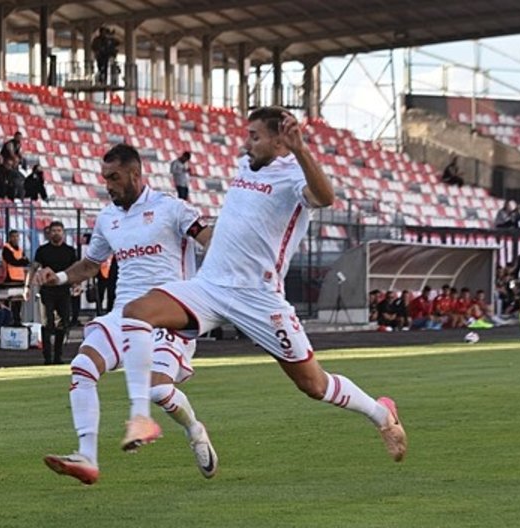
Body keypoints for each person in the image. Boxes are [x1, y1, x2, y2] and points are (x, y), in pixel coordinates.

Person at [112, 107, 407, 465]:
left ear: (280, 141)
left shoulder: (295, 175)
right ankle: (141, 417)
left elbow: (326, 197)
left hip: (258, 298)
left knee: (314, 385)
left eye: (254, 136)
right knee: (137, 312)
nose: (246, 143)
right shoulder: (246, 164)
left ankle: (382, 415)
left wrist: (300, 149)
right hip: (210, 286)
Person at [32, 143, 214, 486]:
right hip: (123, 314)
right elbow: (90, 264)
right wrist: (56, 278)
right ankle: (87, 456)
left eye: (114, 177)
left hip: (167, 314)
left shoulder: (171, 209)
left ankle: (194, 429)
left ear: (135, 174)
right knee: (82, 366)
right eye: (105, 179)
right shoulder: (108, 218)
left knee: (159, 392)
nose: (108, 185)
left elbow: (209, 240)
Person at [32, 221, 78, 364]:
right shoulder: (42, 250)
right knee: (47, 324)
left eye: (59, 230)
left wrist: (77, 284)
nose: (56, 233)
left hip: (64, 291)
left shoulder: (70, 251)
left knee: (63, 324)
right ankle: (47, 357)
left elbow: (76, 270)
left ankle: (58, 357)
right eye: (54, 230)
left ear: (63, 233)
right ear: (49, 233)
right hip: (47, 291)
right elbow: (34, 268)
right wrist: (28, 286)